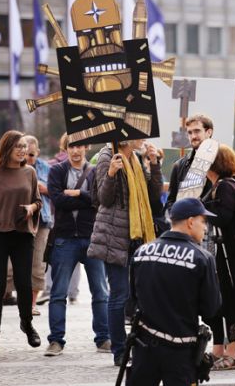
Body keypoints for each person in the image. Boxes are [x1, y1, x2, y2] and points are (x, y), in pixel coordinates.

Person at [128, 198, 222, 386]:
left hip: (144, 347)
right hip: (181, 351)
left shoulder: (141, 252)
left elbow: (132, 300)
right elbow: (211, 309)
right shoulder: (202, 258)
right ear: (190, 222)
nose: (205, 228)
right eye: (203, 221)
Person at [88, 139, 162, 366]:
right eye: (138, 135)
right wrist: (111, 173)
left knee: (142, 294)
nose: (143, 139)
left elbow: (153, 197)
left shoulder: (137, 159)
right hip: (115, 235)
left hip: (138, 236)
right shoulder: (106, 156)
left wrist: (155, 164)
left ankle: (142, 345)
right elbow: (103, 199)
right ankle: (119, 350)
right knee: (119, 295)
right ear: (126, 136)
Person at [45, 140, 110, 357]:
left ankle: (103, 338)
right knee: (58, 293)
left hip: (92, 236)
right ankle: (56, 340)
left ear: (86, 148)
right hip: (65, 238)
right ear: (65, 148)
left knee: (100, 291)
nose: (75, 150)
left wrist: (77, 194)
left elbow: (99, 200)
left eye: (79, 146)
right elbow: (58, 200)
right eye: (71, 146)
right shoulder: (56, 170)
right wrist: (84, 199)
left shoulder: (93, 172)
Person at [0, 130, 42, 356]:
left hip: (22, 234)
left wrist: (32, 208)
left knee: (23, 283)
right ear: (7, 148)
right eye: (18, 147)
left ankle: (27, 324)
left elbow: (38, 201)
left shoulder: (30, 172)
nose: (23, 150)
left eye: (25, 146)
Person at [203, 145, 235, 370]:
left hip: (228, 254)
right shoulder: (215, 187)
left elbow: (223, 218)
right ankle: (218, 348)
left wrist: (200, 208)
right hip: (217, 253)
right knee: (217, 302)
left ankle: (232, 352)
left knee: (231, 300)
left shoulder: (226, 186)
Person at [5, 135, 53, 317]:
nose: (28, 158)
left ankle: (32, 304)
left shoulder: (46, 169)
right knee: (8, 264)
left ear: (38, 153)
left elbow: (57, 192)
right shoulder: (10, 168)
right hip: (15, 221)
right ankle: (5, 296)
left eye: (32, 154)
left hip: (42, 221)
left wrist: (44, 189)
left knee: (37, 264)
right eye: (25, 153)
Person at [37, 134, 81, 306]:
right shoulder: (82, 167)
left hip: (56, 214)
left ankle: (50, 288)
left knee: (53, 252)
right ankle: (73, 292)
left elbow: (51, 192)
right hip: (77, 217)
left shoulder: (51, 165)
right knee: (76, 255)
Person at [165, 114, 214, 212]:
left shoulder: (224, 163)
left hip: (213, 224)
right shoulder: (179, 166)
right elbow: (171, 201)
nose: (193, 136)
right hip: (185, 224)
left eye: (197, 131)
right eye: (190, 133)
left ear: (209, 132)